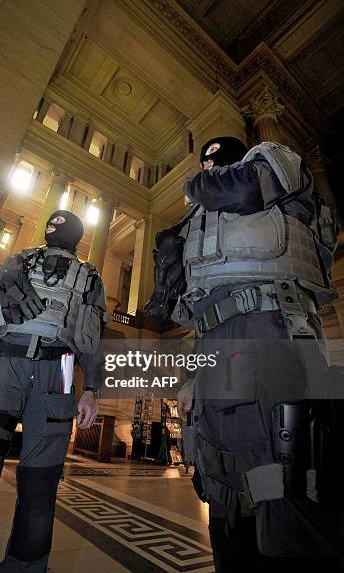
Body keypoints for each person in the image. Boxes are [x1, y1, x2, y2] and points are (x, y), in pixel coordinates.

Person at [145, 137, 342, 572]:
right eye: (206, 161)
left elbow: (245, 189)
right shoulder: (202, 217)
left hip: (274, 329)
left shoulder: (275, 161)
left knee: (283, 482)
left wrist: (197, 181)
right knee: (224, 483)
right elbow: (204, 310)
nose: (211, 165)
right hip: (218, 346)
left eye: (217, 159)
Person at [0, 210, 107, 572]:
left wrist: (91, 387)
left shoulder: (89, 275)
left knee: (40, 487)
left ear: (76, 237)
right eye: (52, 223)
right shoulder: (18, 261)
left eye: (62, 226)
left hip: (60, 368)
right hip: (5, 361)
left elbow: (91, 337)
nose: (54, 229)